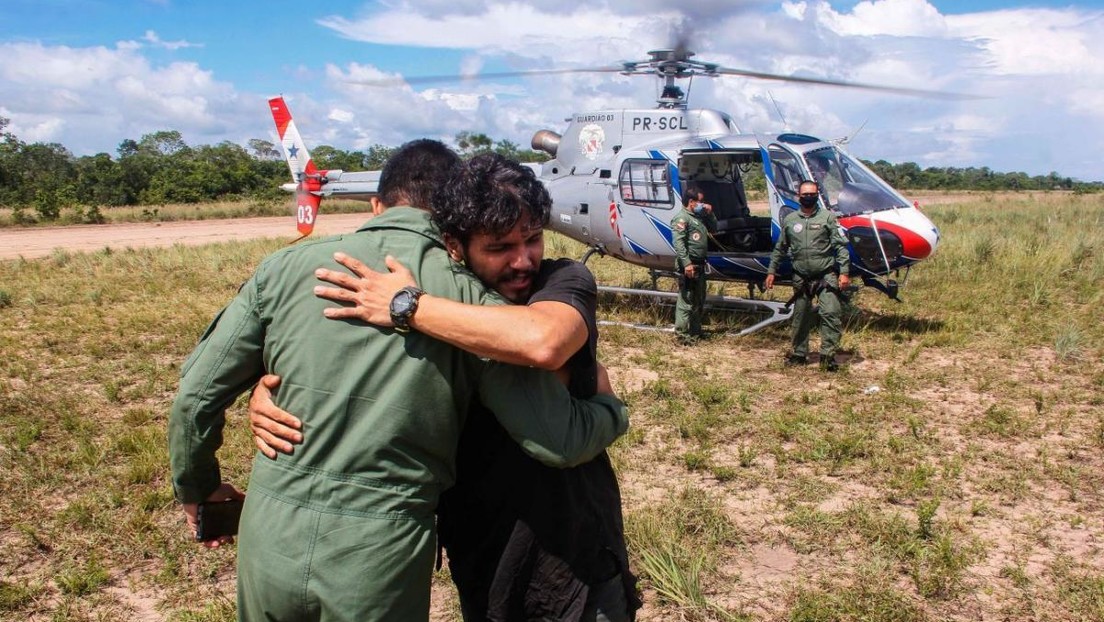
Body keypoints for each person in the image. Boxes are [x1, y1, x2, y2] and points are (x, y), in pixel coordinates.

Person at [168, 140, 629, 622]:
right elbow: (558, 439)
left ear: (376, 204)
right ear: (453, 232)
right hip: (376, 555)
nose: (522, 259)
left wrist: (199, 489)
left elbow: (194, 399)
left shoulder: (285, 267)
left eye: (530, 240)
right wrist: (610, 409)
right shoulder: (466, 295)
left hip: (268, 536)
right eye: (500, 245)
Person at [764, 179, 851, 371]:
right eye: (805, 195)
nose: (809, 198)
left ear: (817, 194)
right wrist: (771, 271)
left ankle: (828, 356)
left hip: (825, 275)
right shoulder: (790, 220)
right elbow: (780, 248)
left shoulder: (827, 218)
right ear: (799, 196)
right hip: (801, 277)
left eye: (812, 194)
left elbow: (840, 247)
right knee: (800, 316)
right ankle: (799, 354)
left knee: (830, 313)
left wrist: (844, 272)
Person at [670, 184, 717, 344]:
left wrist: (710, 214)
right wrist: (687, 264)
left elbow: (714, 228)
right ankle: (681, 334)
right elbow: (679, 243)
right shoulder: (682, 219)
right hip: (689, 266)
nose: (702, 205)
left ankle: (696, 332)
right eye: (700, 202)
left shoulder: (699, 218)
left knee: (699, 299)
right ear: (691, 202)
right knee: (686, 300)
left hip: (700, 265)